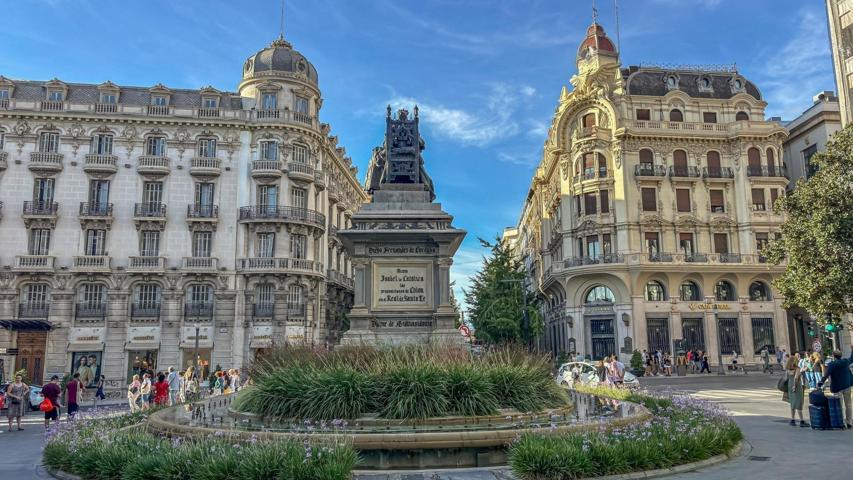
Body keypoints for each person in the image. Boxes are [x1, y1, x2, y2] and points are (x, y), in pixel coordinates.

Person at [817, 345, 853, 429]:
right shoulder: (845, 362)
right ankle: (849, 422)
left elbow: (826, 374)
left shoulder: (832, 364)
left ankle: (841, 422)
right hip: (847, 385)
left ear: (833, 356)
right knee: (848, 405)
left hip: (837, 388)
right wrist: (852, 350)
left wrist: (821, 382)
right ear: (841, 355)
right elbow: (852, 358)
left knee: (839, 405)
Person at [784, 354, 808, 427]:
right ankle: (801, 421)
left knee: (792, 403)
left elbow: (785, 379)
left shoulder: (788, 370)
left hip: (789, 385)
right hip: (797, 386)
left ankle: (792, 420)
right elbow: (796, 378)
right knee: (799, 402)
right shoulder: (797, 369)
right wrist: (795, 386)